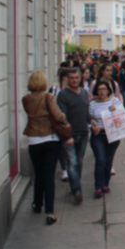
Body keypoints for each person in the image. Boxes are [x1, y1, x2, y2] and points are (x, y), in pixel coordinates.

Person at [22, 71, 68, 225]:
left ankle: (37, 203)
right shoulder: (48, 97)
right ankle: (50, 212)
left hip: (33, 139)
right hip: (50, 138)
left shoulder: (26, 99)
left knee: (39, 173)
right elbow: (58, 116)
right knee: (49, 175)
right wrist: (62, 117)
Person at [56, 68, 91, 205]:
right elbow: (62, 118)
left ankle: (75, 183)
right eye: (72, 78)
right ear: (67, 79)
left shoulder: (83, 92)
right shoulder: (63, 95)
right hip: (69, 135)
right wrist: (67, 136)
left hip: (83, 133)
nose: (74, 80)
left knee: (80, 162)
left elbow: (86, 112)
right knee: (72, 162)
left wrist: (92, 121)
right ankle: (77, 190)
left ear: (80, 78)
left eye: (77, 78)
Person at [88, 80, 121, 198]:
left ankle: (105, 184)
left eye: (104, 89)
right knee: (100, 160)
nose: (101, 92)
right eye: (99, 89)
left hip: (112, 134)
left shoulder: (115, 101)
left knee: (108, 160)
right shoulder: (92, 104)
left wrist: (115, 111)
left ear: (108, 90)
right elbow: (88, 119)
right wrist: (92, 126)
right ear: (96, 91)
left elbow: (122, 118)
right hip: (98, 135)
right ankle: (98, 186)